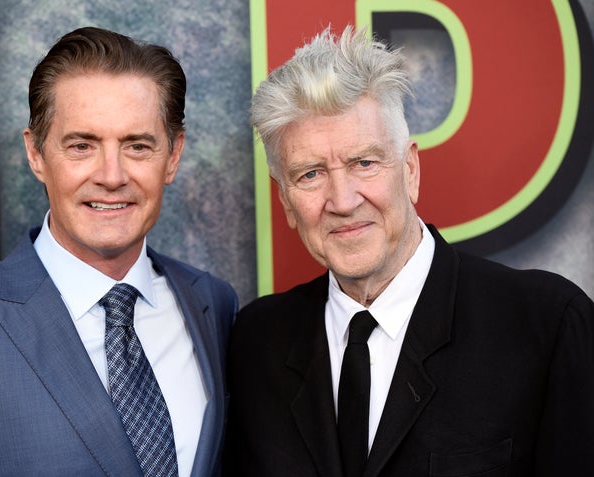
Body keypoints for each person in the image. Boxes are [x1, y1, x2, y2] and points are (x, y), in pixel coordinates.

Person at [224, 25, 594, 477]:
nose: (342, 201)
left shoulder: (546, 323)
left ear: (411, 169)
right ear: (285, 200)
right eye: (310, 174)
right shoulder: (256, 342)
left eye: (364, 162)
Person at [0, 27, 237, 476]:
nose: (111, 175)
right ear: (36, 153)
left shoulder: (214, 306)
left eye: (137, 146)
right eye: (81, 146)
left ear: (174, 155)